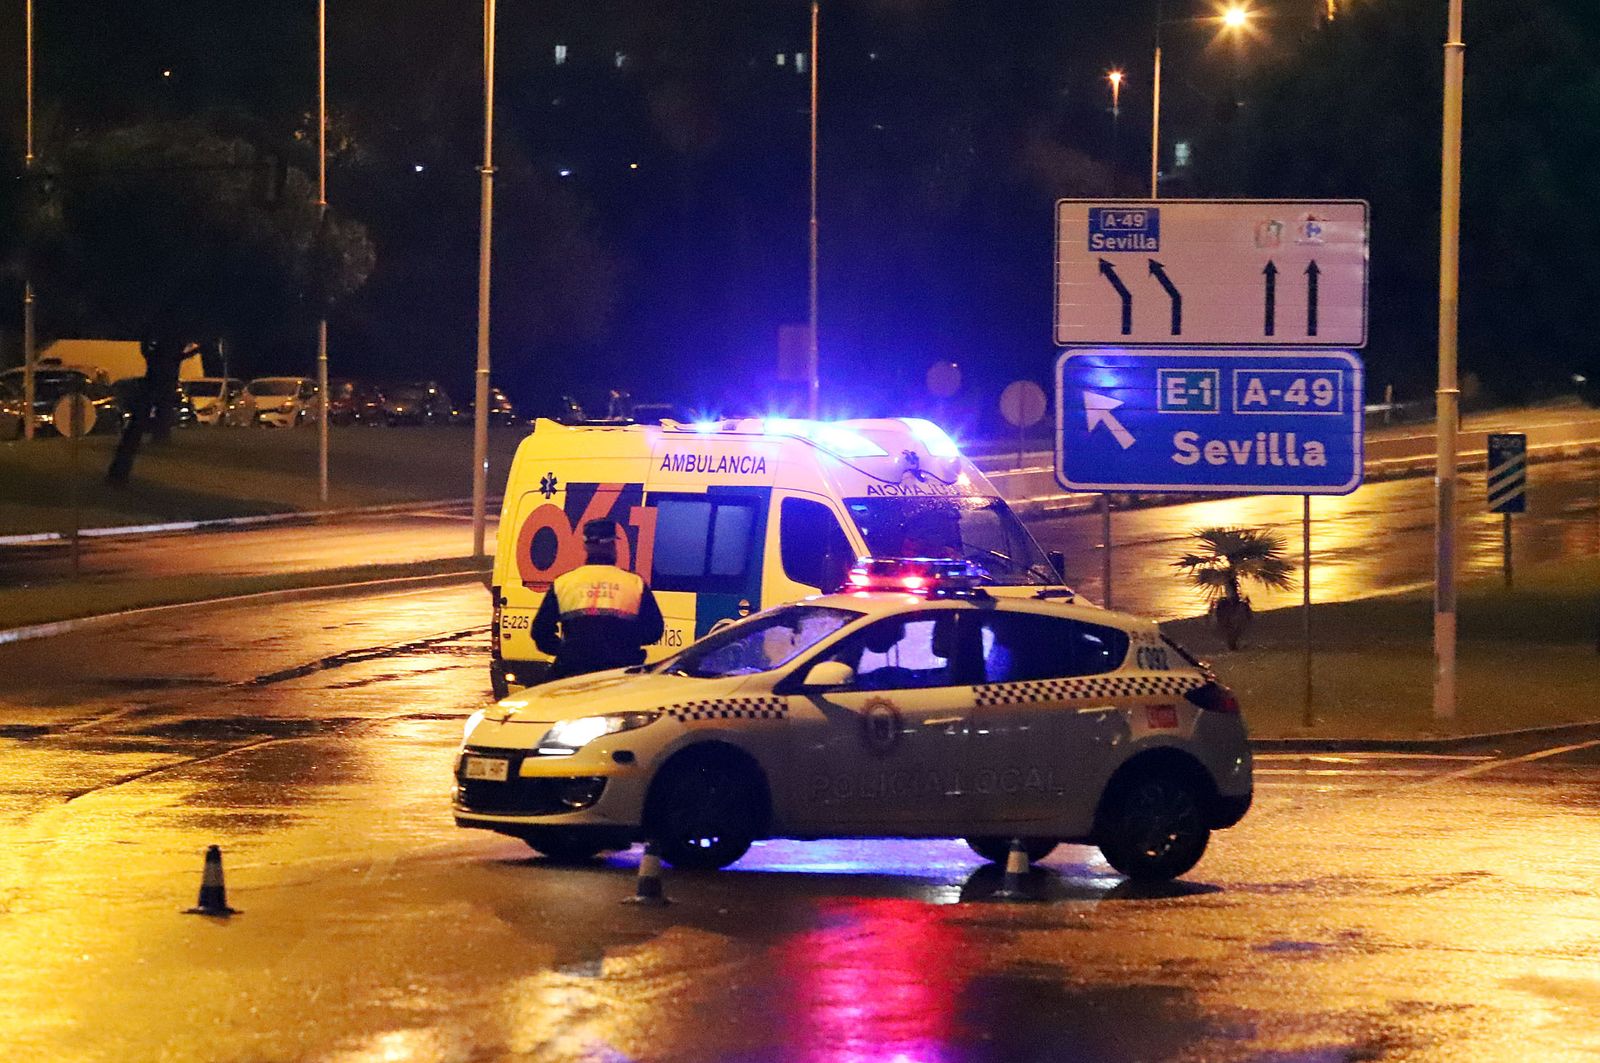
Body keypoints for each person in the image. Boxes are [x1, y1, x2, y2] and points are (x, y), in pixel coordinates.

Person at [532, 518, 665, 681]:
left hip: (573, 674)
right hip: (620, 674)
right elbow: (654, 631)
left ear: (585, 546)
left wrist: (567, 652)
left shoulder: (564, 583)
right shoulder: (634, 584)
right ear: (612, 545)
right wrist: (626, 645)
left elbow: (540, 631)